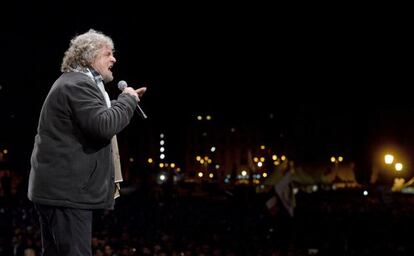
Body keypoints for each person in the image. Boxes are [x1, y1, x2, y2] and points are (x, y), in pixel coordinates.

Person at [27, 29, 146, 256]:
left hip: (61, 191)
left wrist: (122, 103)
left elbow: (94, 118)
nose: (114, 59)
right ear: (91, 57)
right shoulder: (78, 84)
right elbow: (104, 126)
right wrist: (127, 101)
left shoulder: (75, 83)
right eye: (108, 54)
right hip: (67, 193)